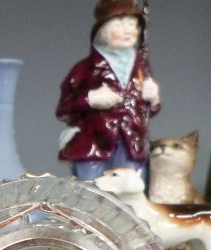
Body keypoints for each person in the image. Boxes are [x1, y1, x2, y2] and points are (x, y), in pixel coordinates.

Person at [56, 0, 161, 183]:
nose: (128, 30)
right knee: (90, 194)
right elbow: (64, 109)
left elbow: (147, 111)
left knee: (130, 196)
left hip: (132, 145)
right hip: (93, 147)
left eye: (132, 24)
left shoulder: (141, 67)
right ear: (102, 31)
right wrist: (90, 99)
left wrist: (153, 99)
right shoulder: (85, 69)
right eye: (119, 24)